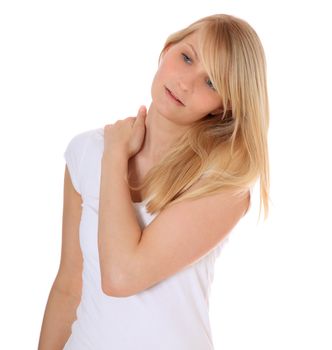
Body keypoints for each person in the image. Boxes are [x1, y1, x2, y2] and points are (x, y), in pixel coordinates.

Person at [38, 13, 270, 350]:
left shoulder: (223, 184)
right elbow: (69, 285)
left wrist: (116, 157)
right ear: (167, 49)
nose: (186, 83)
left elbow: (122, 275)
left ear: (225, 106)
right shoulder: (86, 151)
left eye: (212, 82)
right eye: (187, 57)